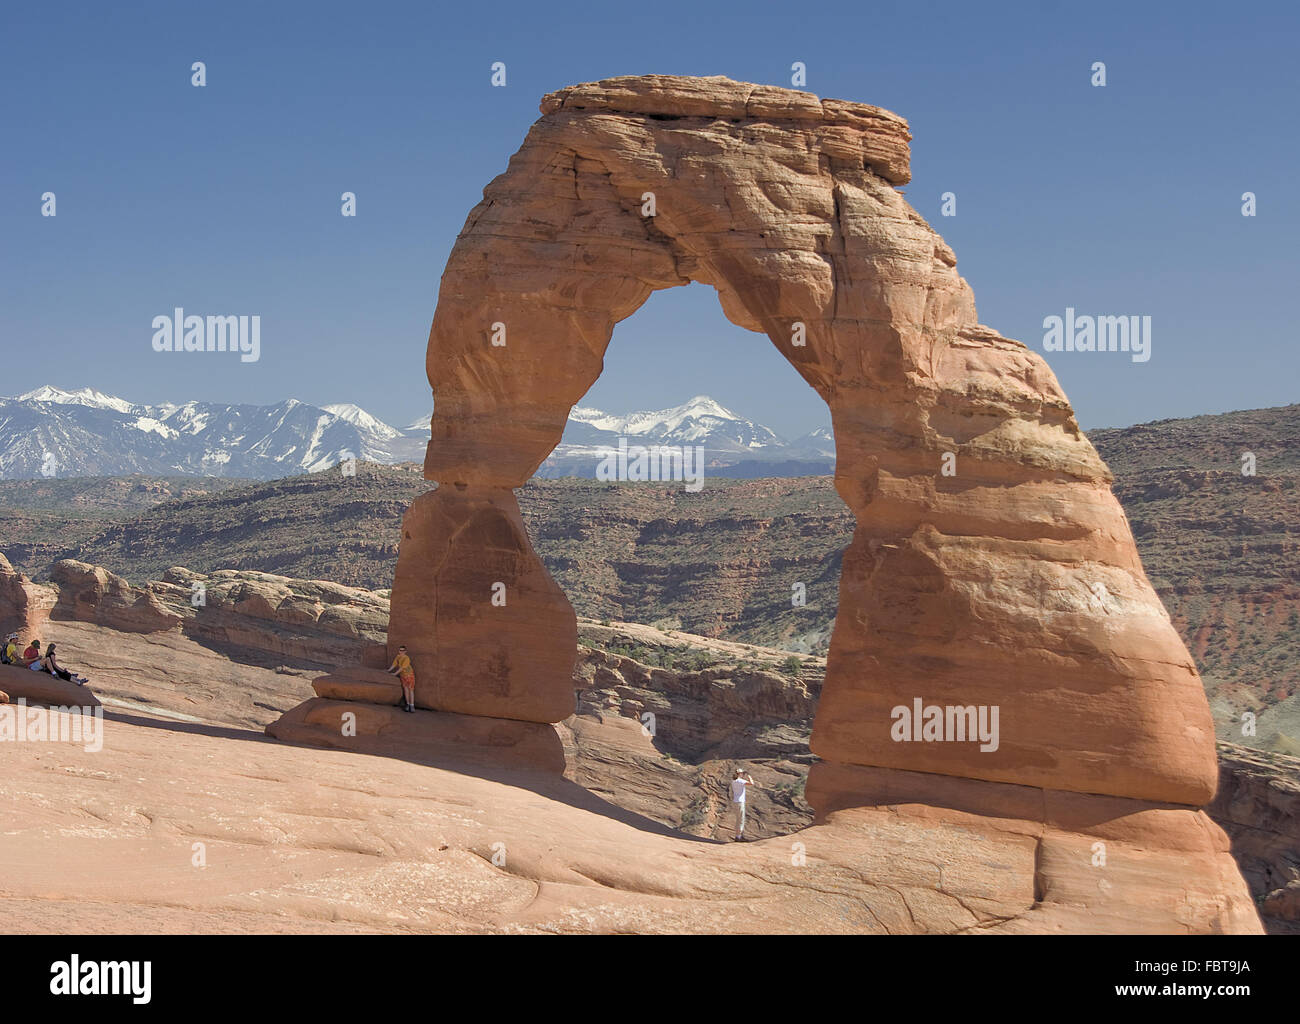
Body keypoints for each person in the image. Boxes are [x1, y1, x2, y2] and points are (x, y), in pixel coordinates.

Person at [729, 768, 759, 841]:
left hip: (736, 801)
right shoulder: (740, 781)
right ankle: (738, 837)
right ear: (739, 774)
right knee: (741, 820)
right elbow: (751, 783)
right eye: (742, 773)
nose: (743, 774)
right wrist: (749, 777)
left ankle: (738, 836)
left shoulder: (733, 781)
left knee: (738, 820)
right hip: (740, 802)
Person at [387, 645, 416, 713]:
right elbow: (394, 664)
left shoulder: (407, 658)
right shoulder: (398, 657)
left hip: (409, 675)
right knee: (406, 690)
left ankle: (412, 706)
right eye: (400, 650)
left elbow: (402, 668)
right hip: (403, 676)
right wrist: (388, 670)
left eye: (403, 650)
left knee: (411, 690)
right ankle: (408, 705)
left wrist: (395, 674)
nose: (401, 652)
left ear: (405, 651)